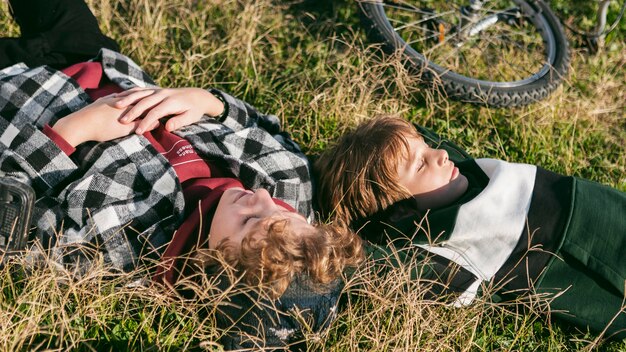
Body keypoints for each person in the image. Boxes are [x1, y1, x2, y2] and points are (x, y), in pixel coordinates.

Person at [0, 0, 364, 349]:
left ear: (211, 266)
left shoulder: (123, 251)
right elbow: (260, 126)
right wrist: (207, 102)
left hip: (18, 97)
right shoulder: (289, 181)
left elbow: (16, 218)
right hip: (92, 55)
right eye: (284, 212)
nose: (262, 199)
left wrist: (71, 132)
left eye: (249, 220)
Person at [314, 116, 626, 339]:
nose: (440, 153)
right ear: (401, 213)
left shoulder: (460, 174)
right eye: (421, 163)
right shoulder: (443, 245)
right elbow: (373, 264)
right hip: (590, 261)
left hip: (594, 202)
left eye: (427, 147)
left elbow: (406, 140)